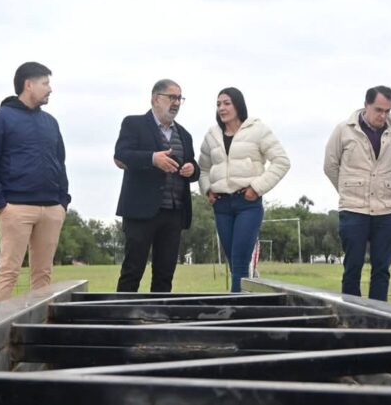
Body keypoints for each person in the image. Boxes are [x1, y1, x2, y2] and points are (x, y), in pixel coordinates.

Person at [0, 62, 70, 303]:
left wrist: (63, 202)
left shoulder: (51, 122)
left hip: (51, 208)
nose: (50, 89)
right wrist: (0, 204)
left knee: (43, 274)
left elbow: (60, 162)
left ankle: (39, 323)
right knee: (9, 271)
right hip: (16, 207)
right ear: (28, 85)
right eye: (45, 83)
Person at [199, 87, 290, 292]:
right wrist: (207, 190)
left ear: (238, 105)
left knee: (240, 261)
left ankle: (236, 306)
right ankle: (250, 298)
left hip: (247, 204)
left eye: (227, 103)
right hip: (221, 206)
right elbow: (203, 168)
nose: (221, 108)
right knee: (235, 264)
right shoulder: (211, 135)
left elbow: (282, 161)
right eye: (218, 104)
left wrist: (256, 188)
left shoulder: (258, 130)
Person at [114, 79, 200, 292]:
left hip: (174, 213)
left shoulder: (185, 135)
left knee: (165, 274)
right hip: (140, 212)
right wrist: (153, 159)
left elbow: (194, 167)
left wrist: (192, 169)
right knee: (133, 270)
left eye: (179, 98)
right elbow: (121, 155)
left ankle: (159, 312)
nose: (176, 103)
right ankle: (122, 312)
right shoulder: (134, 124)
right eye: (172, 97)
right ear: (155, 98)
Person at [323, 86, 391, 300]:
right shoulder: (343, 130)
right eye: (378, 109)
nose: (383, 115)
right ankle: (351, 315)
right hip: (353, 209)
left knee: (382, 270)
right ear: (366, 105)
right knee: (353, 267)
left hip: (387, 211)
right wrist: (348, 190)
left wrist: (382, 189)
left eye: (388, 111)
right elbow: (330, 165)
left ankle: (379, 315)